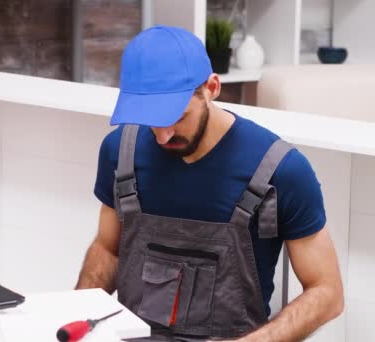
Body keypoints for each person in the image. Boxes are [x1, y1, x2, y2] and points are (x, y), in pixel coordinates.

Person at [75, 25, 343, 342]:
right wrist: (74, 319)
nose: (163, 136)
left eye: (177, 117)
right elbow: (108, 250)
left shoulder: (281, 170)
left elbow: (327, 293)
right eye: (151, 120)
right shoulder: (120, 152)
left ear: (212, 88)